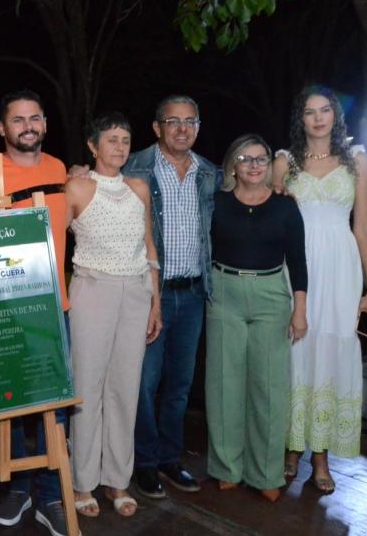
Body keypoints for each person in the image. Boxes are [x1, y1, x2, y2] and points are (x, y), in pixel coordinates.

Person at [0, 90, 73, 535]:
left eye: (34, 118)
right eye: (17, 119)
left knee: (56, 409)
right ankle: (19, 485)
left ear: (45, 124)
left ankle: (51, 494)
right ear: (2, 128)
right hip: (8, 311)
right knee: (15, 407)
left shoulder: (60, 169)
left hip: (56, 309)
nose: (27, 126)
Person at [273, 85, 367, 493]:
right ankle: (289, 450)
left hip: (339, 268)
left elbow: (364, 226)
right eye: (309, 112)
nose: (317, 118)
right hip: (294, 268)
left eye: (325, 110)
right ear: (300, 119)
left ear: (335, 115)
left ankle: (321, 456)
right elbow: (268, 216)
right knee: (294, 351)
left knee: (331, 351)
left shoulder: (357, 159)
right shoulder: (285, 162)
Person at [64, 113, 162, 519]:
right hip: (92, 290)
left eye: (125, 140)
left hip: (137, 293)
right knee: (88, 386)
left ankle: (117, 479)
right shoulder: (75, 186)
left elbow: (150, 249)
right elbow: (52, 241)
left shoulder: (139, 187)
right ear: (92, 145)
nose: (120, 147)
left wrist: (155, 302)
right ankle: (81, 481)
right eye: (111, 140)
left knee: (126, 387)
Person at [125, 95, 218, 499]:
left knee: (180, 384)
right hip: (149, 294)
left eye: (190, 121)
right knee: (145, 383)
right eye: (173, 121)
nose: (182, 128)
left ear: (198, 126)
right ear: (156, 127)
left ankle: (169, 457)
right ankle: (144, 462)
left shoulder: (210, 173)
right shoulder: (136, 167)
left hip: (194, 292)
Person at [207, 134, 307, 502]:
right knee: (223, 383)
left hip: (270, 296)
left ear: (269, 164)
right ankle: (226, 467)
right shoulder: (216, 203)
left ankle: (266, 473)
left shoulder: (285, 206)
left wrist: (300, 309)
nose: (253, 165)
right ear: (233, 164)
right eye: (245, 159)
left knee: (268, 388)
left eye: (260, 159)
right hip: (223, 293)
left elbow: (298, 260)